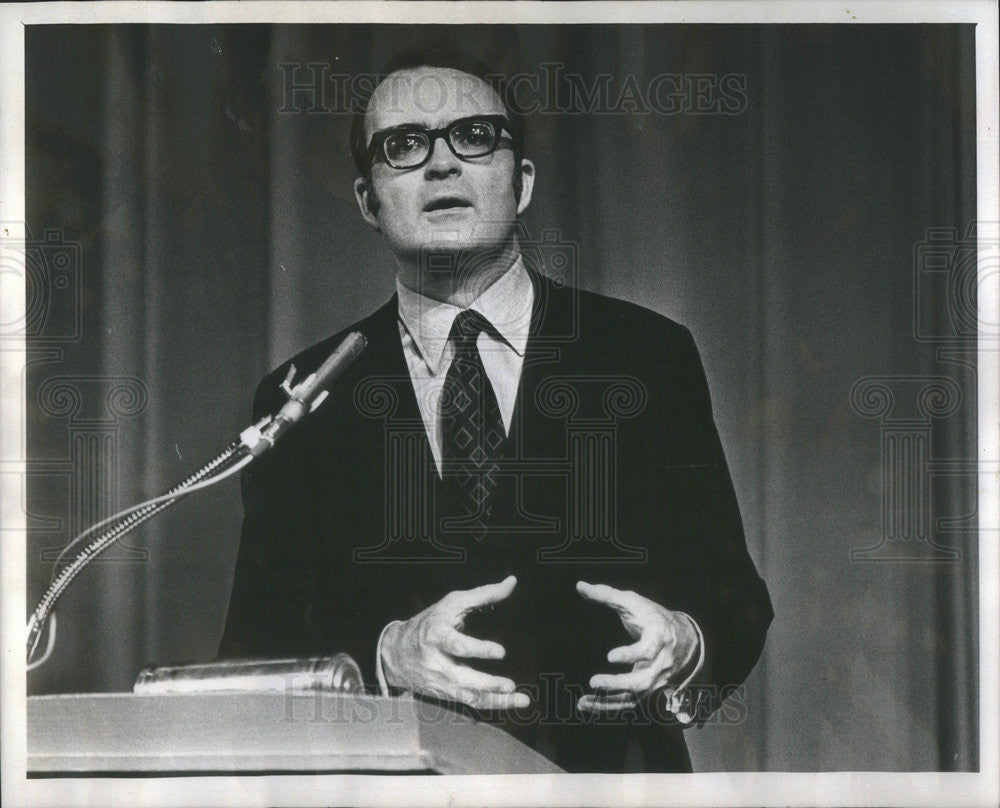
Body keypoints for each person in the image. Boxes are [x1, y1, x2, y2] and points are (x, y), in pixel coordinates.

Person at [219, 46, 772, 773]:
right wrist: (384, 655)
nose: (442, 165)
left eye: (475, 136)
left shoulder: (645, 353)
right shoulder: (303, 394)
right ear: (368, 201)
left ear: (523, 181)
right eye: (405, 145)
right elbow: (254, 653)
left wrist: (686, 640)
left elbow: (732, 597)